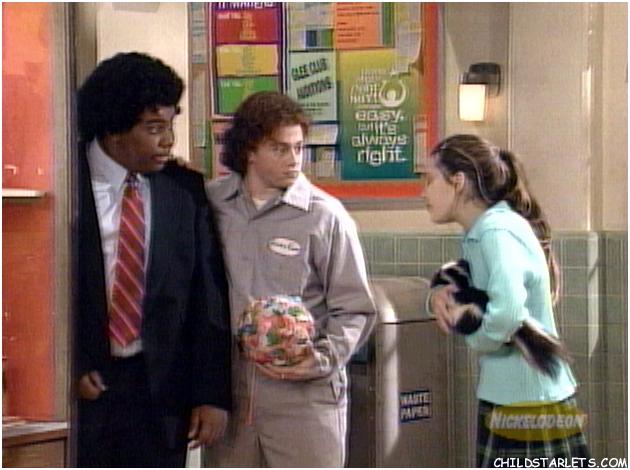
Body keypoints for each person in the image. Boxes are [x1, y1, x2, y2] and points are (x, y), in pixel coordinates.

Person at [75, 52, 232, 467]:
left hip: (160, 395)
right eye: (153, 128)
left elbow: (206, 299)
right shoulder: (65, 180)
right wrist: (68, 365)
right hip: (85, 391)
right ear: (114, 129)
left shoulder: (183, 190)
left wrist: (212, 395)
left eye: (170, 125)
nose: (168, 141)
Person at [204, 91, 377, 467]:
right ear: (250, 150)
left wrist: (321, 359)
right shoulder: (212, 204)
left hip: (304, 396)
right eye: (280, 149)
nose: (294, 159)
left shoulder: (324, 216)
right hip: (231, 396)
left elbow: (356, 309)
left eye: (299, 148)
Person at [425, 134, 590, 467]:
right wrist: (437, 296)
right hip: (515, 396)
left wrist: (478, 340)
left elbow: (509, 310)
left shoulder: (496, 231)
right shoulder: (485, 230)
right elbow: (470, 284)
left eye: (429, 180)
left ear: (457, 182)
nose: (423, 192)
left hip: (528, 402)